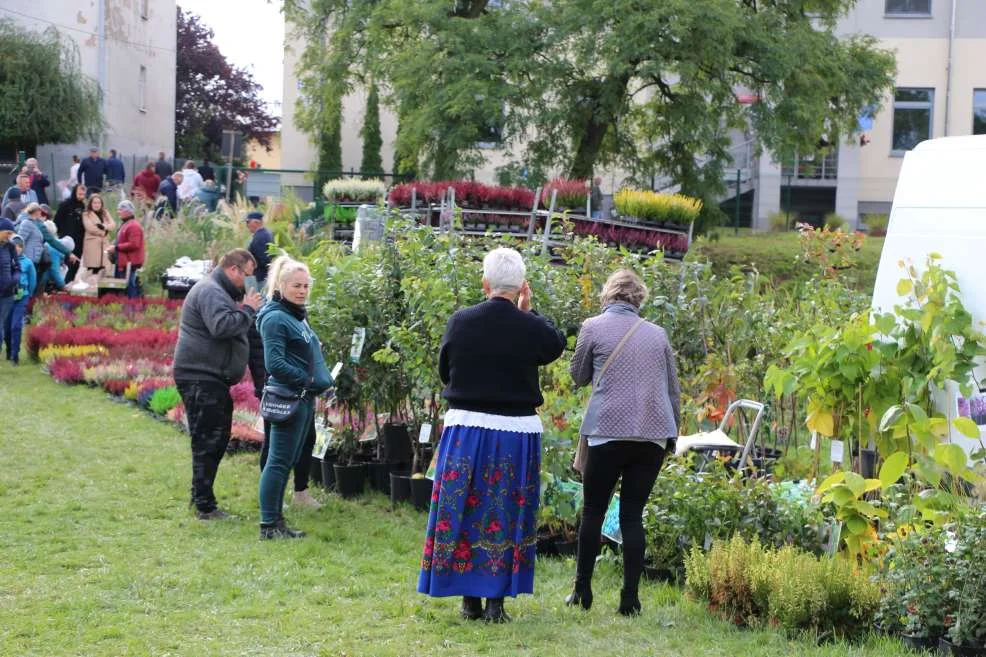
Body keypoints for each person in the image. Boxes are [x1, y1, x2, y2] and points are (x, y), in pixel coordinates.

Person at [417, 247, 566, 623]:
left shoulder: (460, 321)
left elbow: (444, 370)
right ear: (521, 288)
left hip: (465, 429)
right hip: (515, 434)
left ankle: (468, 600)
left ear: (484, 283)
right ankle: (496, 605)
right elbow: (555, 344)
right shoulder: (530, 326)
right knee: (505, 512)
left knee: (463, 509)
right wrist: (528, 312)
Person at [566, 269, 680, 617]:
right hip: (651, 435)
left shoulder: (592, 327)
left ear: (608, 295)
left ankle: (582, 590)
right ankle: (630, 599)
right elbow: (673, 389)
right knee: (632, 516)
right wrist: (672, 436)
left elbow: (576, 375)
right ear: (638, 299)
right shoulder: (657, 335)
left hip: (606, 432)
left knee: (593, 513)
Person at [173, 248, 262, 520]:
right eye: (247, 276)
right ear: (233, 269)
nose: (250, 283)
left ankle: (201, 498)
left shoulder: (220, 292)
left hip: (210, 377)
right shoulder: (211, 290)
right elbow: (221, 326)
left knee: (215, 438)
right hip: (200, 376)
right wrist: (248, 308)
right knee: (207, 440)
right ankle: (204, 505)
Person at [256, 255, 333, 539]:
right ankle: (269, 525)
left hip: (302, 398)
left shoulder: (293, 315)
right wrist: (308, 381)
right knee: (278, 461)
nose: (302, 291)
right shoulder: (276, 318)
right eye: (296, 286)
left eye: (306, 285)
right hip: (289, 396)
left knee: (286, 461)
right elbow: (274, 363)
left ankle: (277, 522)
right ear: (281, 285)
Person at [15, 203, 76, 286]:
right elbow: (19, 240)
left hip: (30, 258)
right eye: (42, 213)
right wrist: (68, 253)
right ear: (37, 212)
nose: (44, 217)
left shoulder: (26, 221)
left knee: (29, 284)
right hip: (29, 259)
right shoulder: (31, 223)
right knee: (28, 285)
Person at [4, 235, 36, 364]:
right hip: (7, 297)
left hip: (22, 297)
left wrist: (28, 294)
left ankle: (14, 356)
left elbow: (32, 281)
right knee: (6, 327)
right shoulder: (5, 261)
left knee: (16, 326)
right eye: (14, 247)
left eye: (19, 247)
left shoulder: (28, 263)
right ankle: (9, 350)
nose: (17, 249)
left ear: (22, 248)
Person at [54, 183, 87, 283]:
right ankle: (64, 284)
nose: (81, 196)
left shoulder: (83, 206)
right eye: (79, 194)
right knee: (67, 263)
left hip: (79, 240)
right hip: (67, 240)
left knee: (76, 262)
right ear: (74, 193)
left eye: (83, 194)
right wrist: (61, 235)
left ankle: (73, 284)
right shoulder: (65, 205)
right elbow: (56, 222)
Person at [112, 200, 144, 298]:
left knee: (130, 286)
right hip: (124, 262)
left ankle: (133, 307)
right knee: (125, 287)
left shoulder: (133, 226)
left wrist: (116, 247)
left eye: (121, 209)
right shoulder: (126, 224)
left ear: (128, 211)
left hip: (130, 262)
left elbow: (134, 244)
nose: (118, 212)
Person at [0, 218, 20, 355]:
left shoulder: (11, 247)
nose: (9, 236)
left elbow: (17, 267)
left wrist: (14, 279)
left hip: (7, 293)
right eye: (7, 232)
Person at [81, 194, 115, 275]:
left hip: (104, 244)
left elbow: (113, 224)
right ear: (91, 204)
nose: (97, 205)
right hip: (92, 244)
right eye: (94, 203)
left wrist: (104, 227)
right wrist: (105, 231)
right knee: (93, 269)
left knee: (103, 269)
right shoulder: (86, 214)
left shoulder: (105, 213)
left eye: (99, 203)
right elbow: (90, 228)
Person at [245, 211, 273, 284]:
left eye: (248, 222)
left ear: (256, 222)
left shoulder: (259, 237)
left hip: (260, 278)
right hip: (265, 277)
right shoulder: (267, 233)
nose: (246, 225)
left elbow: (265, 260)